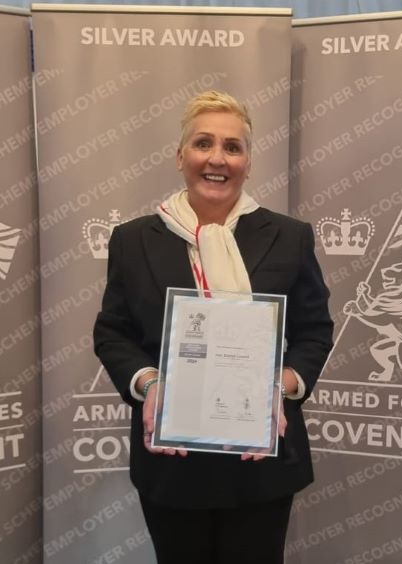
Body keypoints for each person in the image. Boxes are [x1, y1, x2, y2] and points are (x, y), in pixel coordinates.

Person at [93, 90, 333, 564]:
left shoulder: (288, 236)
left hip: (261, 455)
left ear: (247, 160)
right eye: (203, 144)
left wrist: (278, 386)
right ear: (180, 156)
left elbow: (314, 330)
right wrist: (151, 383)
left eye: (232, 146)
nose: (216, 159)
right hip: (172, 459)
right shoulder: (134, 239)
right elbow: (113, 331)